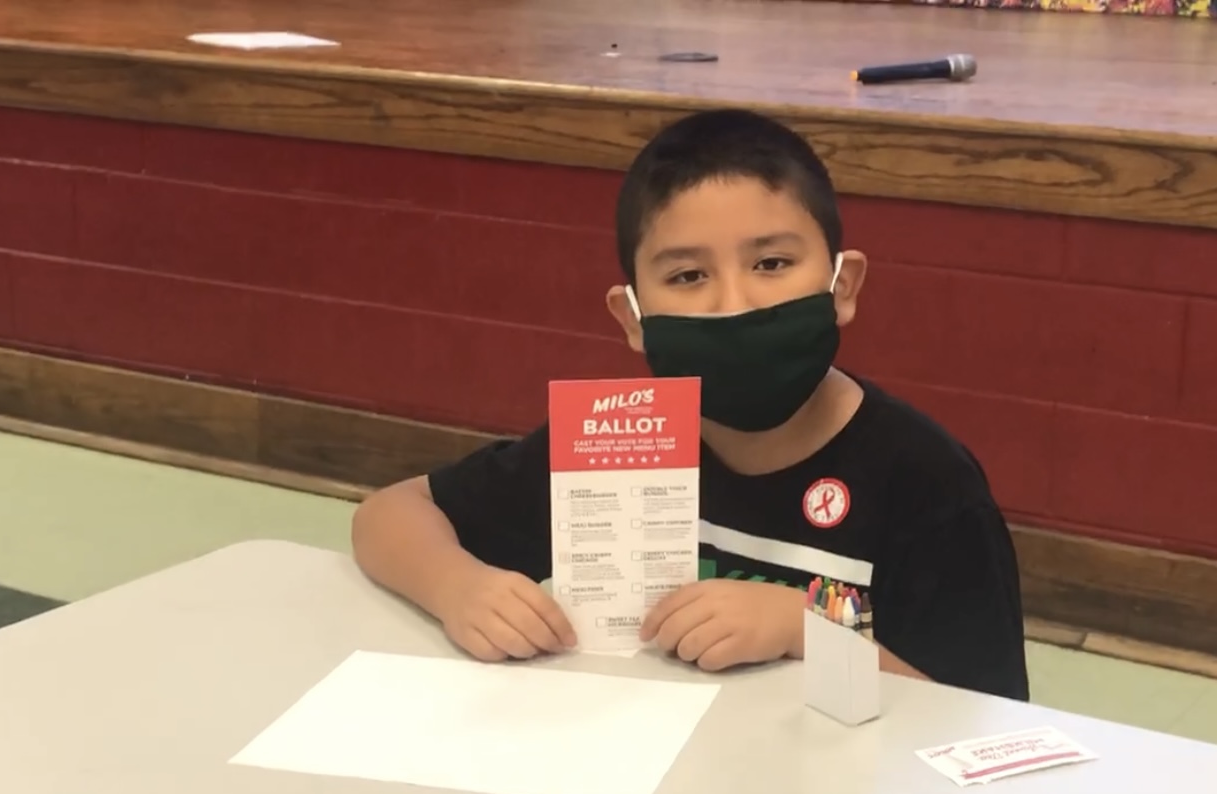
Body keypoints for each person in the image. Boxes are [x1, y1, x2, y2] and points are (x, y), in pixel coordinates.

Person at [352, 108, 1030, 701]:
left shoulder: (925, 482)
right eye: (688, 276)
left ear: (842, 285)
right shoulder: (617, 444)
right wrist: (458, 588)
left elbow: (981, 722)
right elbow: (389, 514)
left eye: (771, 264)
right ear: (633, 318)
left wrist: (806, 629)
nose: (734, 304)